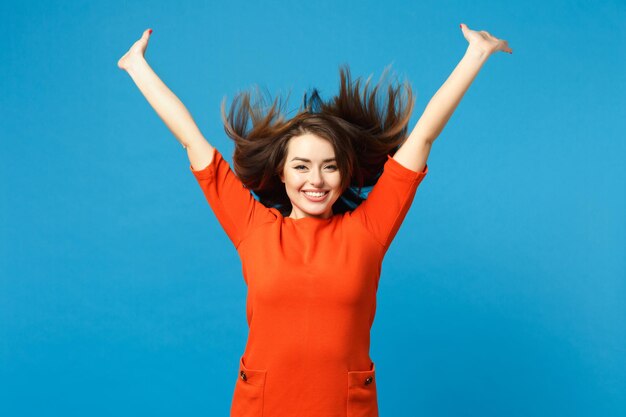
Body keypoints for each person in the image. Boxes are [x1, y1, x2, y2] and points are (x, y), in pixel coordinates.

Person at [118, 23, 512, 417]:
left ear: (345, 172)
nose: (316, 181)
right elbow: (191, 139)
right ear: (282, 172)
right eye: (302, 166)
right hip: (262, 406)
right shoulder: (253, 227)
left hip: (345, 407)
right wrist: (137, 66)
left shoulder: (367, 231)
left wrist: (476, 54)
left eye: (330, 167)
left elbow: (423, 137)